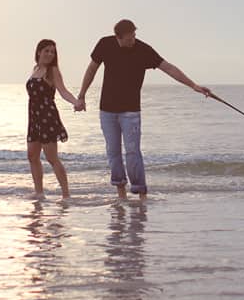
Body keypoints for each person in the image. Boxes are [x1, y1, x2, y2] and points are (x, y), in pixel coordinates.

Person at [76, 19, 211, 200]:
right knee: (113, 152)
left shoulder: (143, 50)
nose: (133, 40)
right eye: (129, 38)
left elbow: (169, 68)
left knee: (133, 152)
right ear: (118, 37)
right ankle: (121, 195)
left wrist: (193, 85)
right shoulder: (105, 44)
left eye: (134, 36)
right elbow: (91, 69)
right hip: (107, 110)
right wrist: (82, 95)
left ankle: (141, 194)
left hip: (131, 111)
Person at [27, 39, 78, 198]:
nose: (50, 54)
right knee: (32, 156)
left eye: (52, 52)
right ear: (39, 52)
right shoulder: (36, 69)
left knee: (51, 158)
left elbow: (63, 91)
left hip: (47, 116)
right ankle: (39, 193)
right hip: (34, 118)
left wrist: (76, 102)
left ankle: (66, 195)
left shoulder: (52, 71)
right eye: (47, 51)